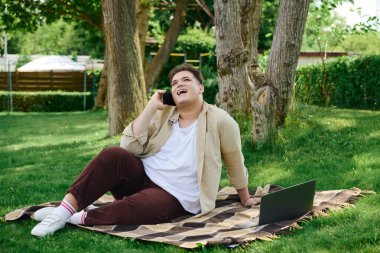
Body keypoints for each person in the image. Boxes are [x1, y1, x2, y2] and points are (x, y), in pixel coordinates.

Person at [31, 64, 259, 237]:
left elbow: (234, 160)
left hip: (175, 195)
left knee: (139, 207)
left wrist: (245, 198)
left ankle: (75, 216)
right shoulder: (164, 114)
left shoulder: (221, 120)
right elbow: (128, 146)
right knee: (112, 154)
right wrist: (151, 107)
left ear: (200, 87)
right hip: (142, 178)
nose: (179, 84)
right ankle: (62, 211)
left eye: (186, 80)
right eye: (175, 82)